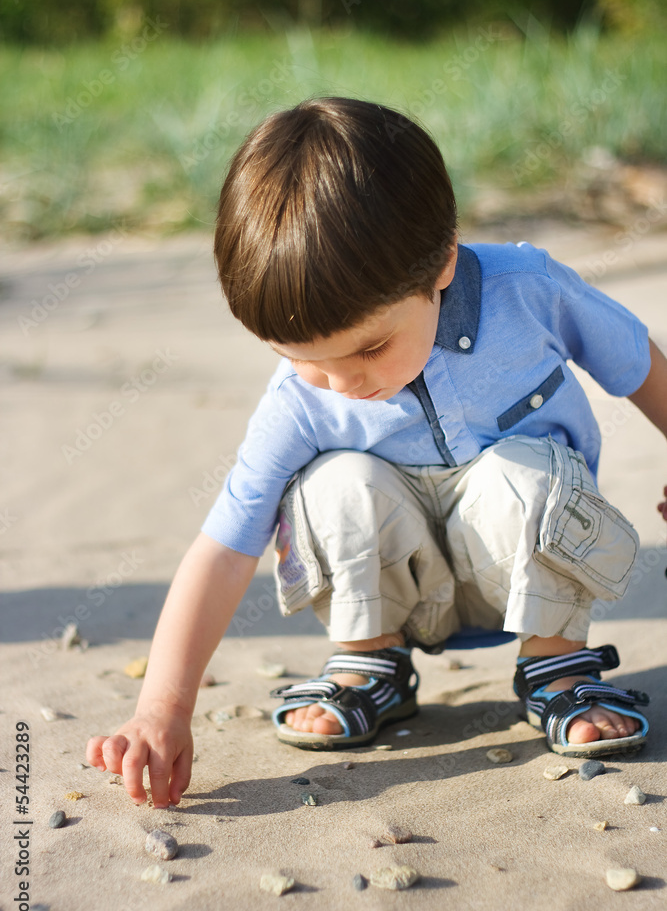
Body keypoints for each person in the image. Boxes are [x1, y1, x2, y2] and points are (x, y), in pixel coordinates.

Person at [87, 97, 667, 809]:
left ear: (442, 266)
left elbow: (636, 362)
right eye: (303, 359)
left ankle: (556, 669)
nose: (343, 384)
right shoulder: (299, 401)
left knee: (529, 468)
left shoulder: (528, 293)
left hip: (525, 570)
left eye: (368, 348)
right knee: (336, 482)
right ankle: (369, 665)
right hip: (395, 588)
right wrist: (161, 710)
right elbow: (224, 546)